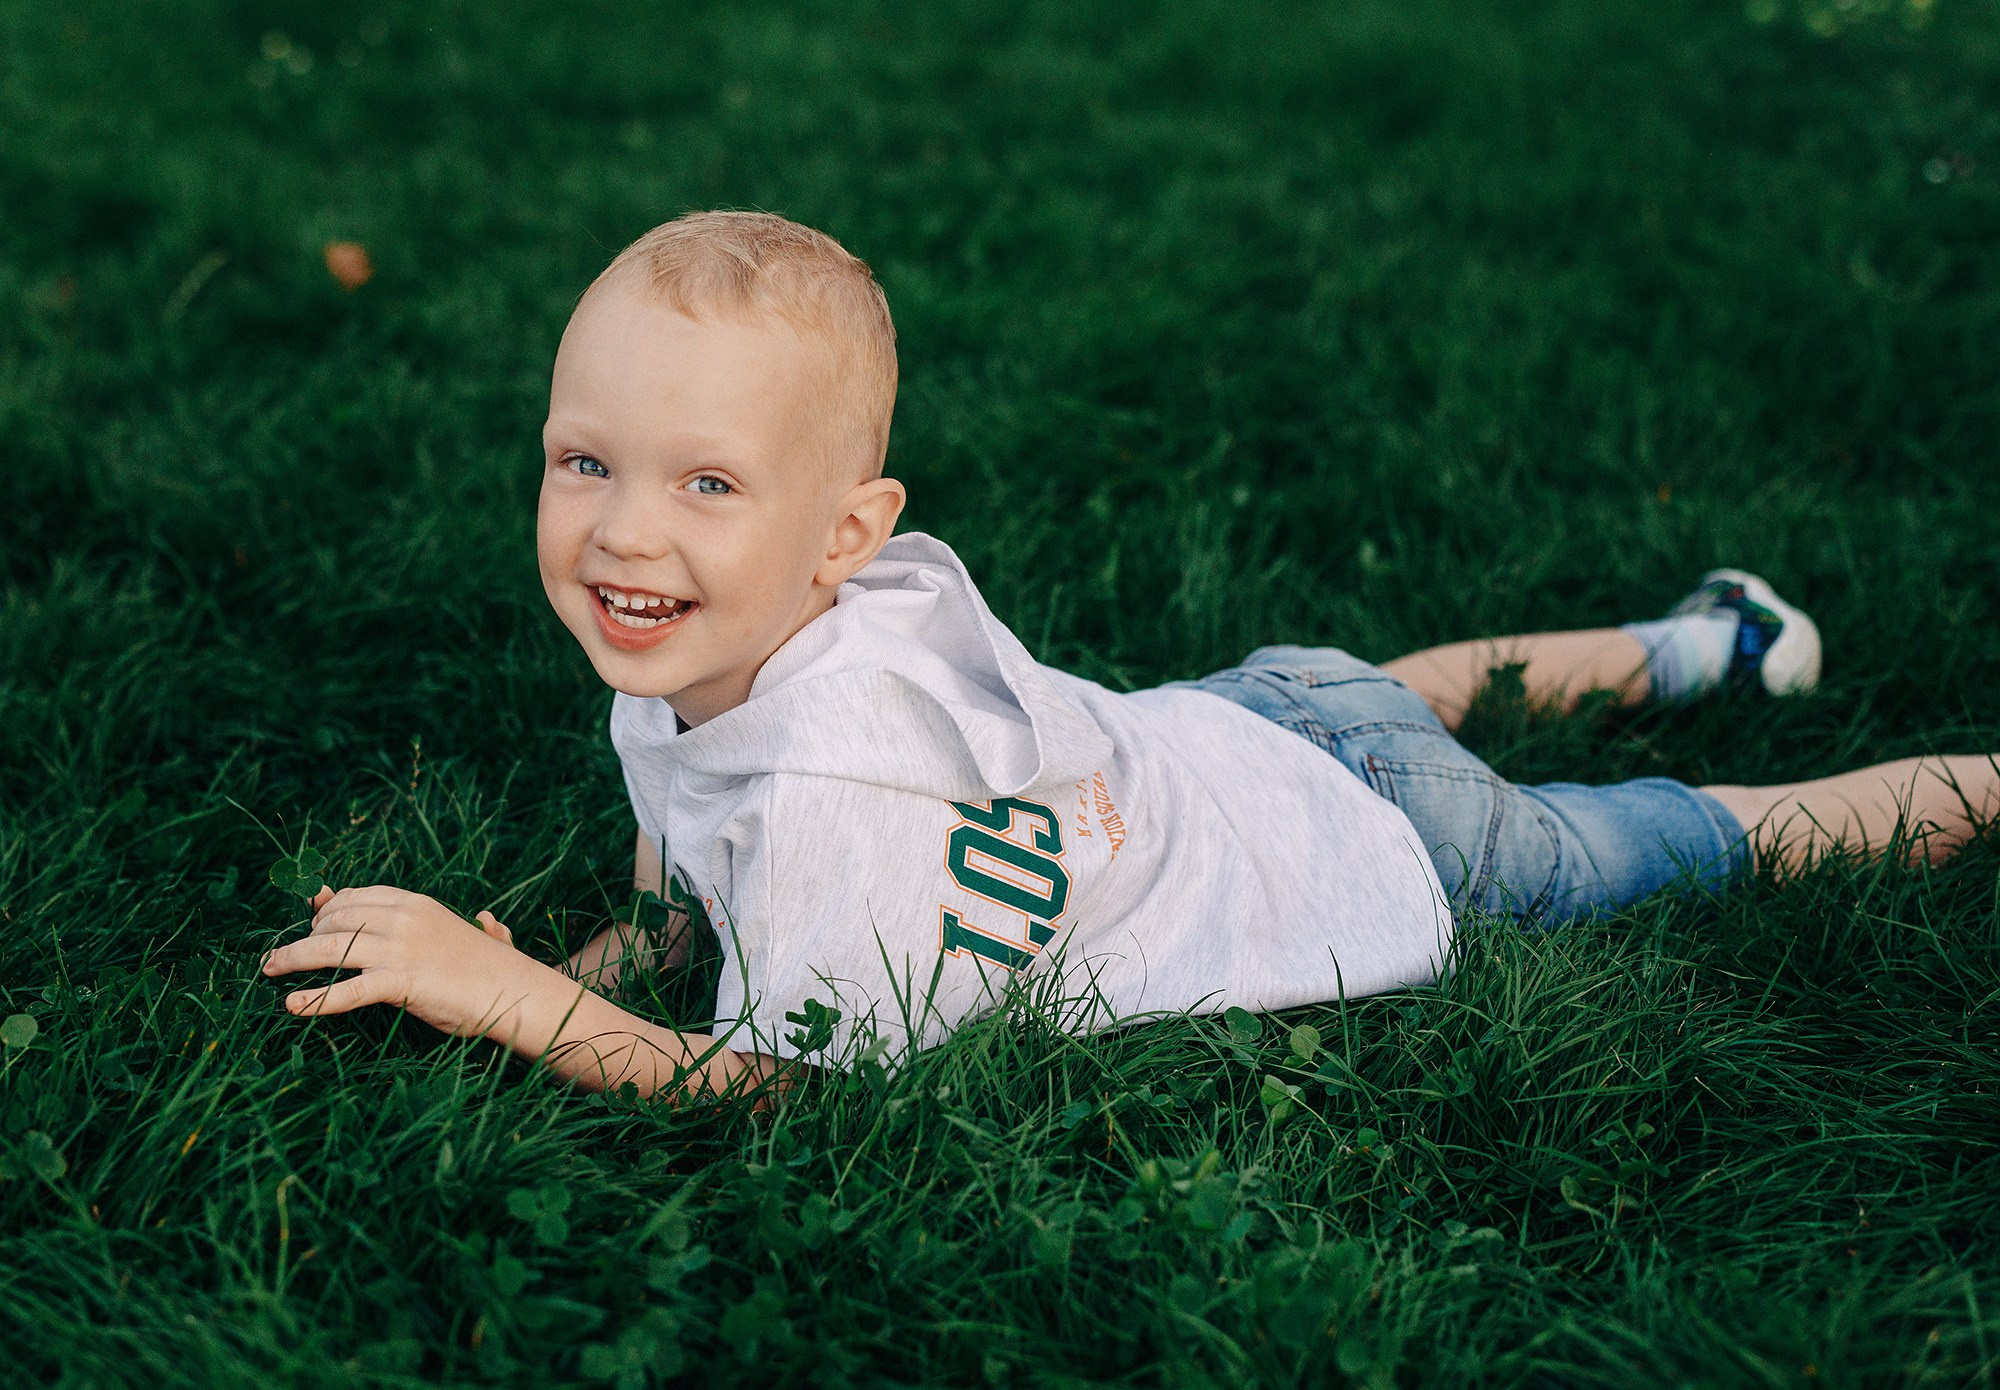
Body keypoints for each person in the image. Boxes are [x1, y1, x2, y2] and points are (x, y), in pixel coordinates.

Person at [259, 212, 2000, 1104]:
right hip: (1266, 714)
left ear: (839, 532)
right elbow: (689, 833)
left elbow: (777, 1096)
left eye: (705, 481)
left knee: (1694, 834)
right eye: (588, 463)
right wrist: (606, 947)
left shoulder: (837, 787)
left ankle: (1957, 774)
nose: (627, 532)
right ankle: (1716, 634)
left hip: (1377, 845)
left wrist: (520, 1001)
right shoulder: (719, 627)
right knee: (1411, 689)